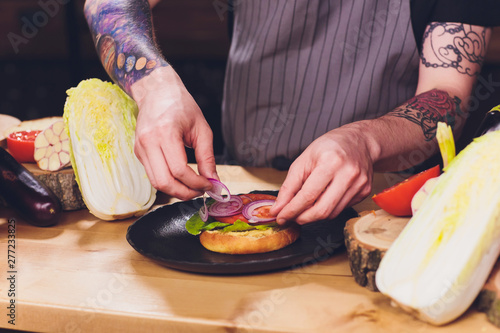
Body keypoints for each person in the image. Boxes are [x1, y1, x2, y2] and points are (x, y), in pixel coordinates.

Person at [84, 0, 499, 225]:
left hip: (381, 209)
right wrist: (155, 86)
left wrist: (363, 140)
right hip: (244, 178)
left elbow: (448, 95)